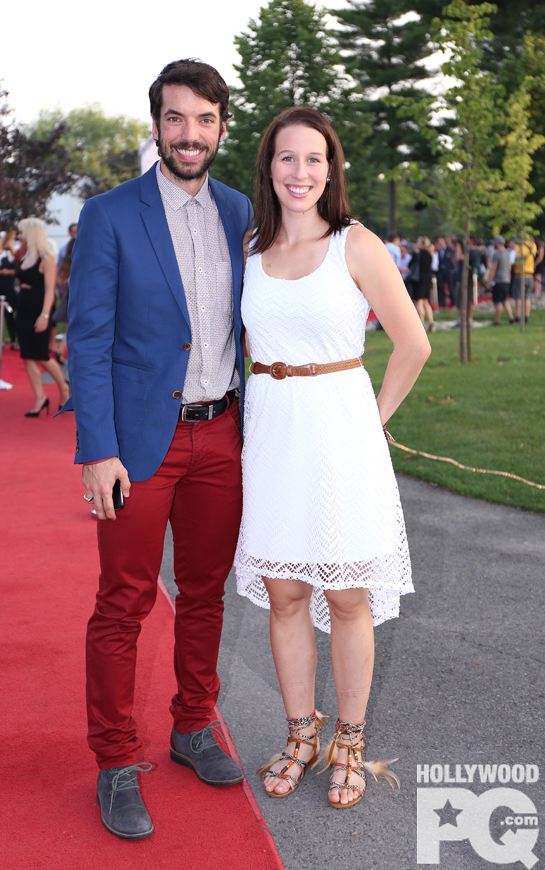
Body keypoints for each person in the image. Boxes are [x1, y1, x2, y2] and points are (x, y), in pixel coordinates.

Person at [64, 59, 253, 841]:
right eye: (176, 118)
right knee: (124, 603)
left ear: (219, 128)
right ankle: (114, 761)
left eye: (204, 120)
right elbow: (90, 338)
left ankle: (192, 727)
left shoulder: (242, 209)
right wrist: (96, 449)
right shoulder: (109, 214)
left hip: (222, 435)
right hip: (141, 444)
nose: (189, 134)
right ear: (156, 125)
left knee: (205, 595)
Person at [234, 107, 430, 809]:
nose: (301, 172)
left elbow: (413, 345)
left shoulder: (356, 244)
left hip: (340, 438)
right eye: (287, 158)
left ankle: (351, 738)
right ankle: (301, 733)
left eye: (314, 159)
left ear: (332, 168)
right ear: (269, 168)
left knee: (346, 595)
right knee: (284, 593)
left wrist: (370, 423)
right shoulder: (251, 247)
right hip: (274, 435)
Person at [16, 218, 70, 416]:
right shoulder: (27, 255)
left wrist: (45, 315)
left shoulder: (47, 257)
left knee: (40, 354)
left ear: (31, 233)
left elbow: (50, 289)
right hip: (23, 310)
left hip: (39, 310)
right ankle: (40, 398)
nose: (18, 236)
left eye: (21, 232)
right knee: (27, 355)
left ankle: (64, 388)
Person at [486, 235, 514, 325]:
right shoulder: (507, 253)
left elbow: (493, 269)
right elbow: (509, 267)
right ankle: (511, 319)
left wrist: (489, 281)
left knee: (498, 301)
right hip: (507, 279)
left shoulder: (497, 254)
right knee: (505, 300)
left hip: (499, 280)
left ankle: (497, 321)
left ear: (497, 243)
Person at [410, 236, 436, 332]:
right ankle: (431, 323)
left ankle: (421, 324)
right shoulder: (429, 255)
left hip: (419, 279)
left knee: (419, 302)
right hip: (428, 279)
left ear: (422, 244)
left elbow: (410, 264)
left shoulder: (418, 255)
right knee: (425, 301)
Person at [512, 237, 537, 324]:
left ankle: (518, 317)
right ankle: (527, 317)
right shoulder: (533, 246)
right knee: (527, 297)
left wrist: (515, 251)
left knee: (518, 297)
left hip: (520, 275)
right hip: (530, 275)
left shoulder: (521, 248)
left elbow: (518, 260)